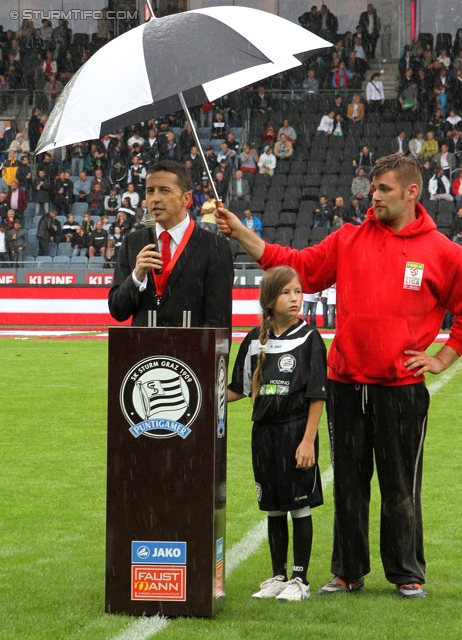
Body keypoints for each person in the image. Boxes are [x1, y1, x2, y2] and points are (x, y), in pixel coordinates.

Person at [216, 154, 462, 599]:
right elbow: (293, 265)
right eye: (373, 187)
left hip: (402, 390)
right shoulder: (348, 239)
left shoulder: (442, 252)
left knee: (401, 485)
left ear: (412, 192)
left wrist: (443, 358)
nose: (375, 195)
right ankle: (348, 571)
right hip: (345, 386)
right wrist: (241, 233)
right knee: (349, 483)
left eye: (384, 188)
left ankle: (407, 573)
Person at [228, 266, 327, 601]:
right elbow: (238, 389)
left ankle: (300, 579)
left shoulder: (310, 338)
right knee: (273, 507)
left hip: (296, 431)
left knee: (299, 507)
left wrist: (308, 441)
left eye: (298, 291)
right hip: (264, 436)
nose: (295, 298)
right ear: (269, 299)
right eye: (286, 292)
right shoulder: (254, 341)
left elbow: (317, 394)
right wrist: (199, 394)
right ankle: (277, 576)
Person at [109, 160, 233, 331]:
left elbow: (219, 323)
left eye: (164, 190)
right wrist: (137, 277)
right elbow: (118, 311)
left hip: (189, 355)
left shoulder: (214, 247)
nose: (155, 198)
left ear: (186, 199)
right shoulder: (132, 242)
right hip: (143, 354)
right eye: (150, 191)